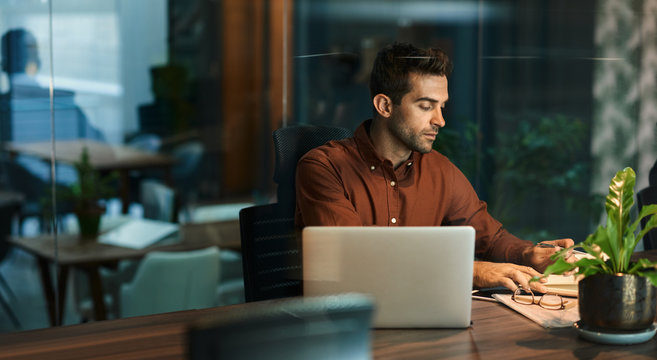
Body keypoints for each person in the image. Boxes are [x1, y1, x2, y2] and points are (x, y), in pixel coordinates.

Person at [295, 42, 574, 293]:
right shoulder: (324, 167)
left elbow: (490, 238)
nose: (440, 120)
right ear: (384, 105)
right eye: (426, 106)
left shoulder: (440, 170)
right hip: (347, 327)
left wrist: (528, 254)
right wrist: (470, 271)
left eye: (442, 106)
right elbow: (352, 258)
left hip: (424, 320)